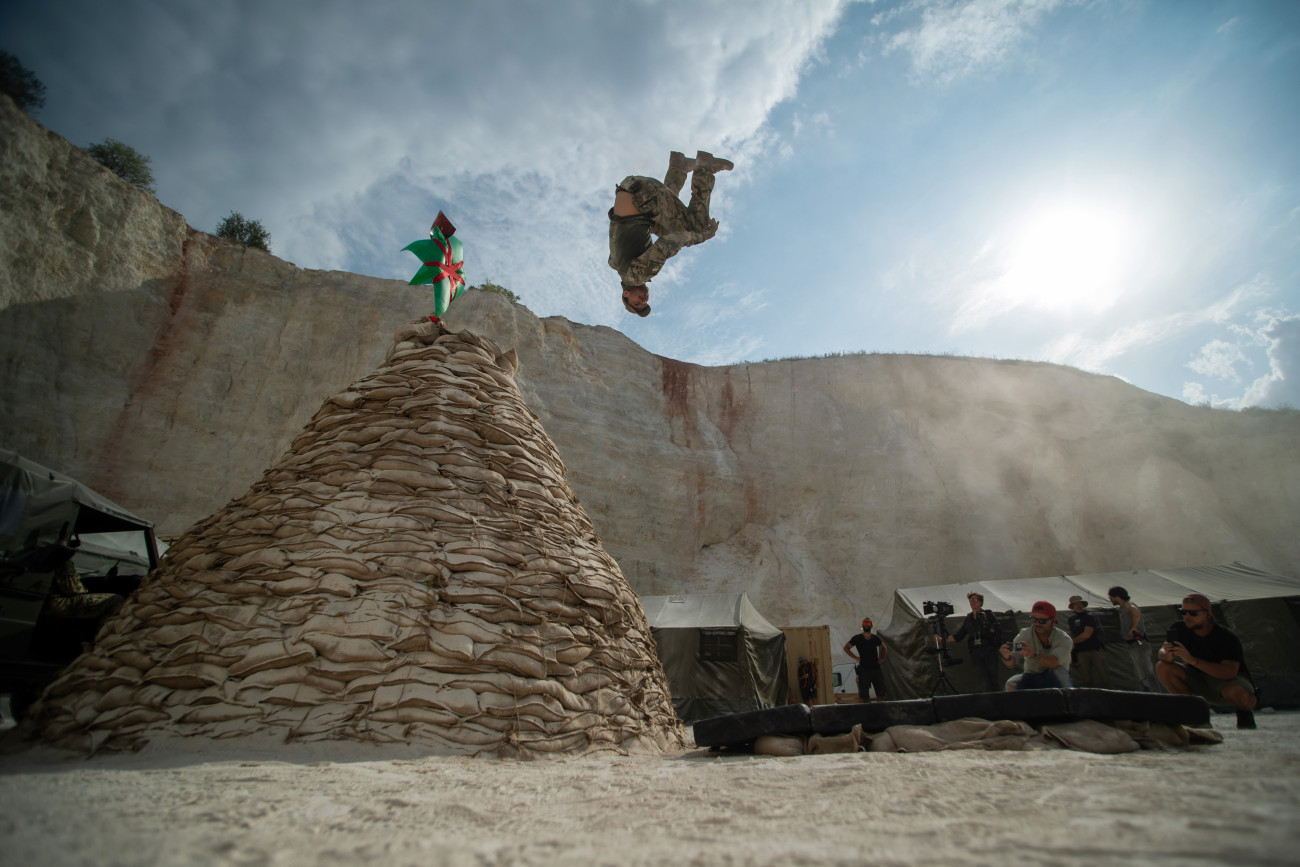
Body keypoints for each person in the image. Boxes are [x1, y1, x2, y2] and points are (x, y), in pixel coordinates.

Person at [607, 150, 734, 317]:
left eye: (636, 303)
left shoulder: (637, 276)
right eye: (645, 303)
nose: (643, 301)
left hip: (644, 196)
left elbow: (669, 243)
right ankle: (678, 166)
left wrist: (700, 237)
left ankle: (705, 167)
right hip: (635, 191)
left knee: (697, 228)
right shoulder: (619, 267)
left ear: (626, 294)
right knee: (673, 222)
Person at [1158, 593, 1258, 729]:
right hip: (1199, 680)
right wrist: (1167, 654)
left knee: (1236, 692)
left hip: (1225, 681)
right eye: (1183, 612)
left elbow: (1229, 673)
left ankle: (1245, 712)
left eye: (1193, 613)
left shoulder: (1226, 637)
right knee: (1163, 667)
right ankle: (1193, 713)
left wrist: (1193, 661)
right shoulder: (1179, 629)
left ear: (1207, 613)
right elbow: (1162, 652)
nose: (1187, 617)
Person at [1000, 601, 1073, 690]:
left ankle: (1068, 701)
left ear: (1053, 621)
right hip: (1031, 676)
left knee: (1060, 673)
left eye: (1042, 621)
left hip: (1053, 678)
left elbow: (1054, 663)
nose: (1037, 624)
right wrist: (1007, 657)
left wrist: (1034, 655)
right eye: (1034, 620)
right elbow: (1011, 663)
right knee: (1011, 684)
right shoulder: (1025, 634)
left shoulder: (1063, 639)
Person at [945, 591, 1002, 692]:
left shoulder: (988, 614)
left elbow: (995, 629)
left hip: (989, 650)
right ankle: (989, 702)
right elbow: (959, 636)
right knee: (984, 681)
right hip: (976, 652)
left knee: (993, 679)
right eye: (971, 600)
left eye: (975, 600)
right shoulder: (969, 619)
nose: (972, 602)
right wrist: (942, 640)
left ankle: (998, 702)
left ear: (980, 602)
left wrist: (985, 620)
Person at [1108, 585, 1158, 691]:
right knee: (1141, 674)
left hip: (1139, 642)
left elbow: (1135, 613)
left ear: (1116, 596)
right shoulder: (1122, 609)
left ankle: (1158, 694)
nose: (1110, 599)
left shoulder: (1128, 605)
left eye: (1111, 597)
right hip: (1132, 644)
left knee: (1147, 672)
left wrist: (1134, 628)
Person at [1067, 595, 1109, 688]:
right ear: (1072, 607)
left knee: (1104, 676)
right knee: (1086, 679)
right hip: (1081, 651)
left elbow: (1086, 635)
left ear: (1083, 605)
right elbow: (1071, 633)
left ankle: (1114, 697)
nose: (1078, 606)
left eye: (1080, 604)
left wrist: (1072, 641)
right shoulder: (1071, 619)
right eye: (1076, 604)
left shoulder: (1089, 617)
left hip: (1094, 649)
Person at [843, 617, 887, 702]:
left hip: (876, 668)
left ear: (871, 625)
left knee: (880, 693)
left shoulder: (875, 638)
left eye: (868, 623)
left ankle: (880, 712)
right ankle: (867, 712)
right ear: (862, 625)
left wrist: (882, 659)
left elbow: (883, 648)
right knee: (864, 695)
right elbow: (846, 648)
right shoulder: (857, 638)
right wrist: (855, 657)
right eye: (865, 623)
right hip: (864, 669)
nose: (867, 624)